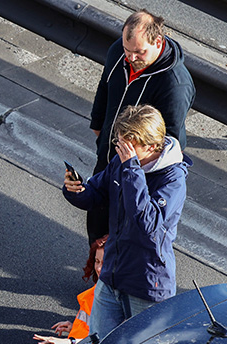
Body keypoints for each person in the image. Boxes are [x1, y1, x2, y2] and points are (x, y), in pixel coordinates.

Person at [64, 104, 189, 340]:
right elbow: (96, 194)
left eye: (128, 145)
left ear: (152, 146)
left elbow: (147, 224)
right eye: (119, 142)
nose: (121, 150)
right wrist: (75, 190)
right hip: (112, 275)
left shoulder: (173, 180)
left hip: (146, 286)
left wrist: (132, 169)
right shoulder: (124, 162)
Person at [87, 9, 195, 244]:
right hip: (108, 158)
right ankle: (97, 275)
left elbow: (169, 141)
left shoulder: (174, 85)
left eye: (139, 52)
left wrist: (135, 173)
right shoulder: (120, 51)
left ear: (158, 41)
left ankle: (110, 278)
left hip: (138, 174)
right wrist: (99, 126)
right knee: (97, 228)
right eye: (128, 50)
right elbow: (105, 87)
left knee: (126, 240)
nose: (131, 58)